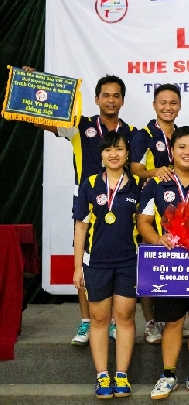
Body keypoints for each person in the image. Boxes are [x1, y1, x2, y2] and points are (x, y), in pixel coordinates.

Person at [26, 68, 136, 345]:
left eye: (116, 96)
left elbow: (138, 169)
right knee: (85, 259)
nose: (111, 100)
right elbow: (43, 122)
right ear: (97, 99)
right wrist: (32, 85)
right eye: (105, 95)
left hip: (121, 204)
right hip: (87, 202)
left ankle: (113, 322)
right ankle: (86, 321)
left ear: (123, 101)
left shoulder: (132, 133)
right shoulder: (80, 126)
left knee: (120, 259)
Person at [137, 126, 189, 400]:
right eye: (182, 147)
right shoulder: (157, 184)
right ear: (172, 151)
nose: (188, 152)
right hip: (170, 264)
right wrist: (158, 239)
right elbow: (143, 222)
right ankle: (168, 376)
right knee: (172, 321)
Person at [73, 131, 140, 398]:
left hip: (128, 262)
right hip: (96, 263)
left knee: (125, 317)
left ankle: (121, 375)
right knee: (99, 319)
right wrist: (77, 267)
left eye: (119, 149)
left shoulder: (136, 185)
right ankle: (102, 376)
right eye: (108, 150)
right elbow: (81, 227)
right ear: (101, 154)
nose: (114, 154)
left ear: (127, 154)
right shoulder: (89, 184)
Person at [130, 83, 182, 344]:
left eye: (173, 103)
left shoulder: (182, 134)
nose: (168, 107)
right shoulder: (144, 135)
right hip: (151, 206)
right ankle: (151, 323)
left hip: (178, 208)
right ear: (154, 105)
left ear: (179, 106)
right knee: (151, 265)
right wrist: (156, 172)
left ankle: (172, 320)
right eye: (163, 102)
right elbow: (135, 169)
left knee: (177, 265)